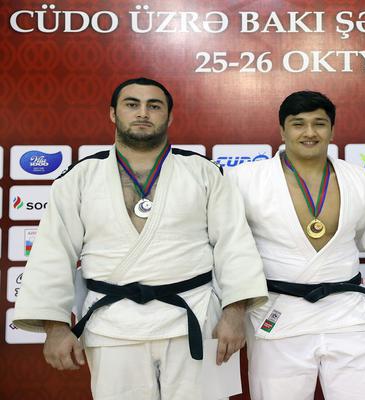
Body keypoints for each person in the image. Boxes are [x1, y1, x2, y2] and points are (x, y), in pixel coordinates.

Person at [13, 77, 268, 400]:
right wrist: (55, 326)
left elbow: (234, 244)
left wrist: (234, 314)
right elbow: (53, 253)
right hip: (111, 325)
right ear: (113, 113)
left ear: (169, 117)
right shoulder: (79, 178)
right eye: (132, 104)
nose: (143, 113)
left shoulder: (204, 173)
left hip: (194, 318)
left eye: (154, 106)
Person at [230, 90, 365, 400]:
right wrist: (231, 311)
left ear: (332, 130)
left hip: (346, 313)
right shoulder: (244, 179)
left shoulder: (358, 178)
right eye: (298, 124)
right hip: (278, 313)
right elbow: (230, 250)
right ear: (282, 130)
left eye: (319, 123)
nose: (310, 132)